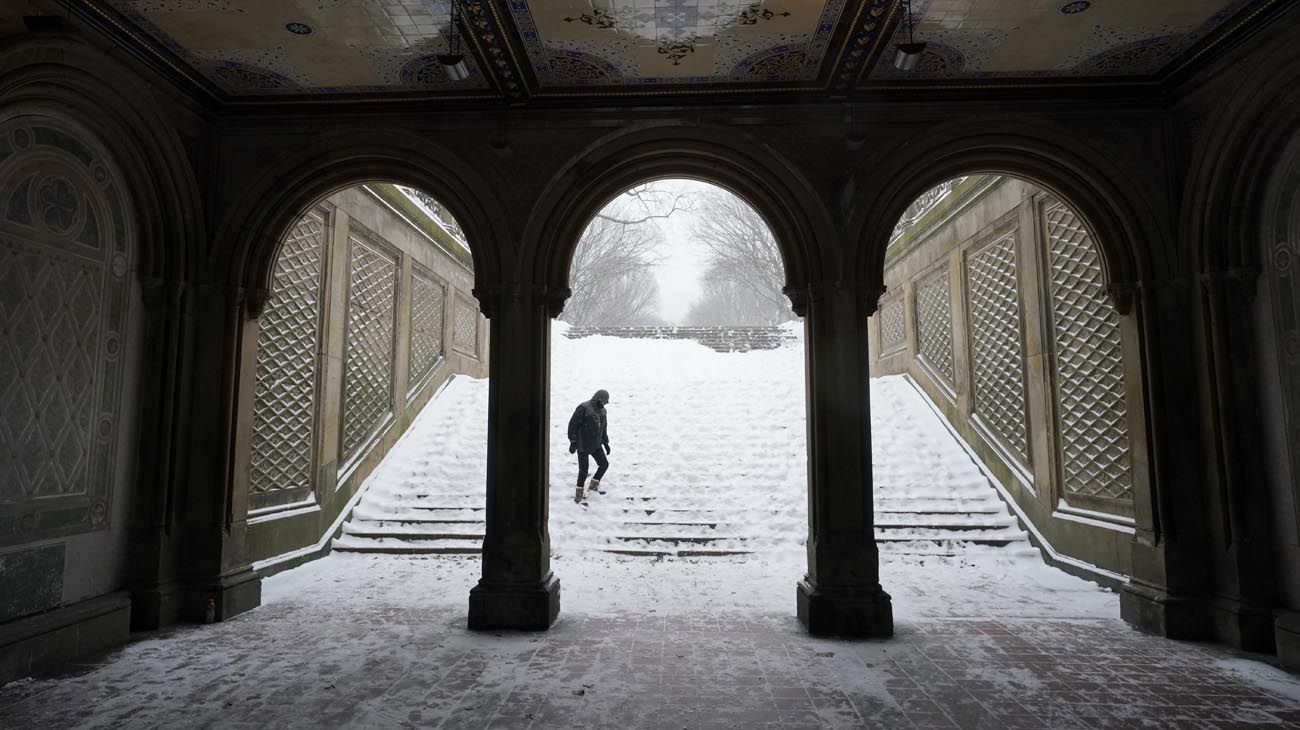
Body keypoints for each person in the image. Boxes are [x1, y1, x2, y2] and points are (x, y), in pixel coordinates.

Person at [568, 389, 611, 504]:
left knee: (604, 465)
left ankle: (593, 485)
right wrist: (573, 442)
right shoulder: (583, 408)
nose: (605, 404)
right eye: (604, 402)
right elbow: (573, 425)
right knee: (583, 471)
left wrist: (606, 442)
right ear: (598, 399)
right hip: (583, 445)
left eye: (606, 403)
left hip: (596, 444)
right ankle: (579, 494)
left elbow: (603, 428)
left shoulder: (603, 411)